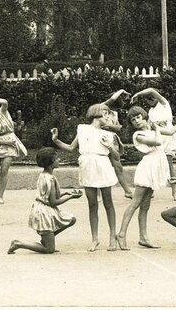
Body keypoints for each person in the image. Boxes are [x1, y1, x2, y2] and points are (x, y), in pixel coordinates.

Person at [115, 105, 176, 250]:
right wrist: (156, 127)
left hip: (156, 167)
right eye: (133, 119)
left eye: (138, 117)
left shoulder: (153, 130)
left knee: (145, 206)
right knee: (135, 203)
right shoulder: (138, 135)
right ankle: (121, 234)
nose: (136, 121)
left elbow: (171, 131)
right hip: (147, 167)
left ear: (144, 116)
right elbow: (158, 142)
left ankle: (143, 237)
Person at [51, 103, 120, 251]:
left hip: (102, 165)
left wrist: (110, 146)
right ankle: (95, 239)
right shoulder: (82, 129)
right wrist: (56, 140)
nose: (108, 117)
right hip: (87, 166)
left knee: (108, 202)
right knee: (92, 204)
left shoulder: (108, 134)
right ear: (95, 114)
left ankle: (112, 237)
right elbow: (71, 148)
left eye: (108, 114)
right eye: (105, 113)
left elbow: (117, 156)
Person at [8, 147, 81, 254]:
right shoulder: (49, 179)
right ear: (50, 162)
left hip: (45, 210)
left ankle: (47, 238)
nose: (59, 160)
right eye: (56, 158)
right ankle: (18, 243)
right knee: (49, 250)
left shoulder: (45, 175)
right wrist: (71, 197)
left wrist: (67, 193)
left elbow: (52, 196)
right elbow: (53, 202)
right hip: (44, 213)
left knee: (71, 219)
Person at [134, 88, 176, 199]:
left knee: (169, 164)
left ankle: (174, 190)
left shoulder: (164, 104)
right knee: (154, 163)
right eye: (148, 99)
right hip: (157, 138)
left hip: (168, 138)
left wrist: (138, 93)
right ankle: (151, 188)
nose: (150, 100)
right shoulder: (150, 112)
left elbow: (151, 90)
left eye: (152, 97)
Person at [102, 90, 134, 199]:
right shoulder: (100, 108)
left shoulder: (114, 113)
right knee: (100, 165)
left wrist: (110, 127)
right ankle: (97, 193)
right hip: (100, 139)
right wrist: (121, 91)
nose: (116, 110)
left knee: (118, 166)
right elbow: (111, 99)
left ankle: (128, 191)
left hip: (112, 140)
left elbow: (118, 128)